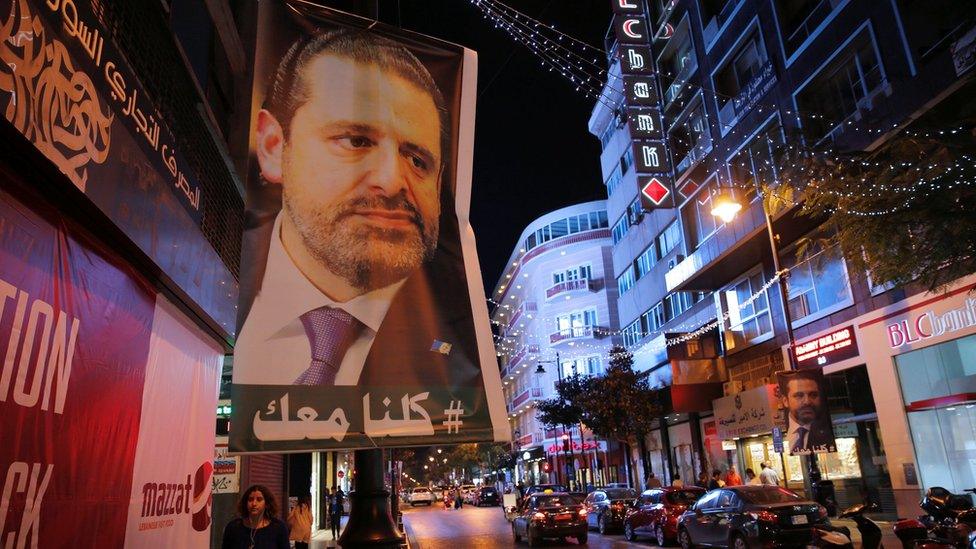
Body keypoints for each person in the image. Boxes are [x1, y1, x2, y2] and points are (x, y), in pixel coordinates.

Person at [236, 28, 481, 391]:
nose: (393, 180)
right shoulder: (215, 280)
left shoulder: (463, 350)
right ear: (274, 146)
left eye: (417, 160)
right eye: (356, 141)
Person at [779, 371, 836, 454]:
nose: (807, 402)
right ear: (785, 401)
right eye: (799, 395)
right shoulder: (784, 433)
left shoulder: (826, 433)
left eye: (813, 395)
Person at [221, 485, 289, 549]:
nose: (254, 504)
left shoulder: (278, 528)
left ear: (266, 504)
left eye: (259, 500)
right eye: (250, 499)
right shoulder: (233, 527)